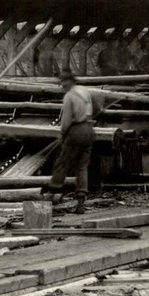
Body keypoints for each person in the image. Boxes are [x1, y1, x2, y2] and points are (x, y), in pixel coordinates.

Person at [42, 68, 107, 214]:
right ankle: (81, 203)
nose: (62, 85)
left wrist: (62, 135)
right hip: (89, 130)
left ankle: (50, 196)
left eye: (64, 81)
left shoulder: (69, 96)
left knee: (62, 162)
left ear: (70, 81)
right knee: (82, 167)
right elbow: (98, 108)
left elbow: (65, 122)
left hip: (76, 131)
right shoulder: (85, 90)